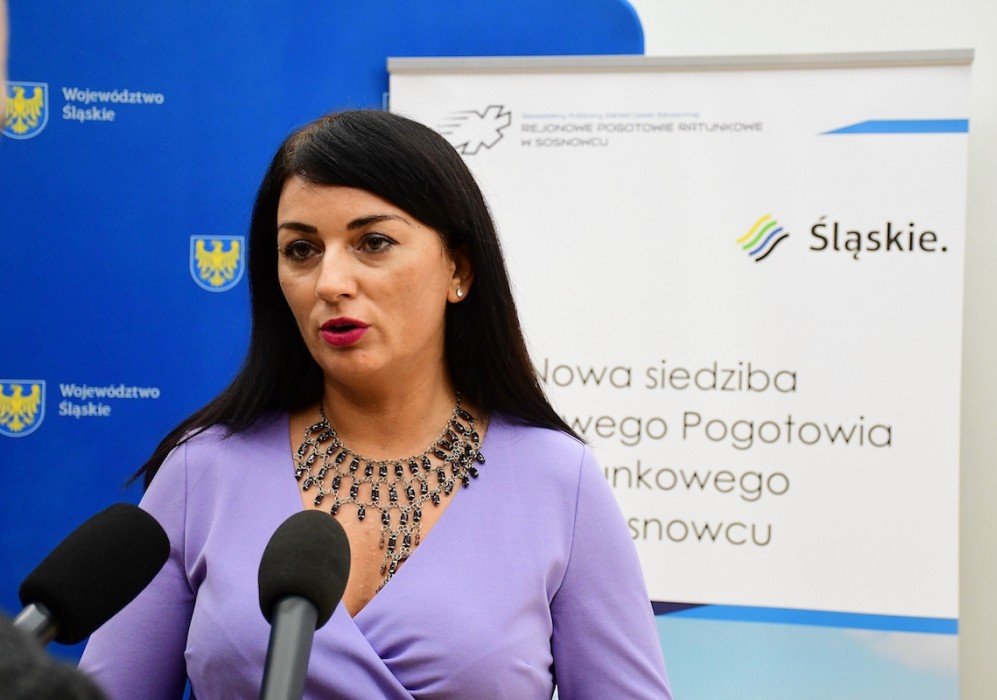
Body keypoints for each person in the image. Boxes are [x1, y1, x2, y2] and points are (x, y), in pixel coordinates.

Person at [79, 110, 672, 699]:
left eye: (373, 243)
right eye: (301, 250)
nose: (330, 282)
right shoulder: (201, 471)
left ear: (459, 268)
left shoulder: (557, 479)